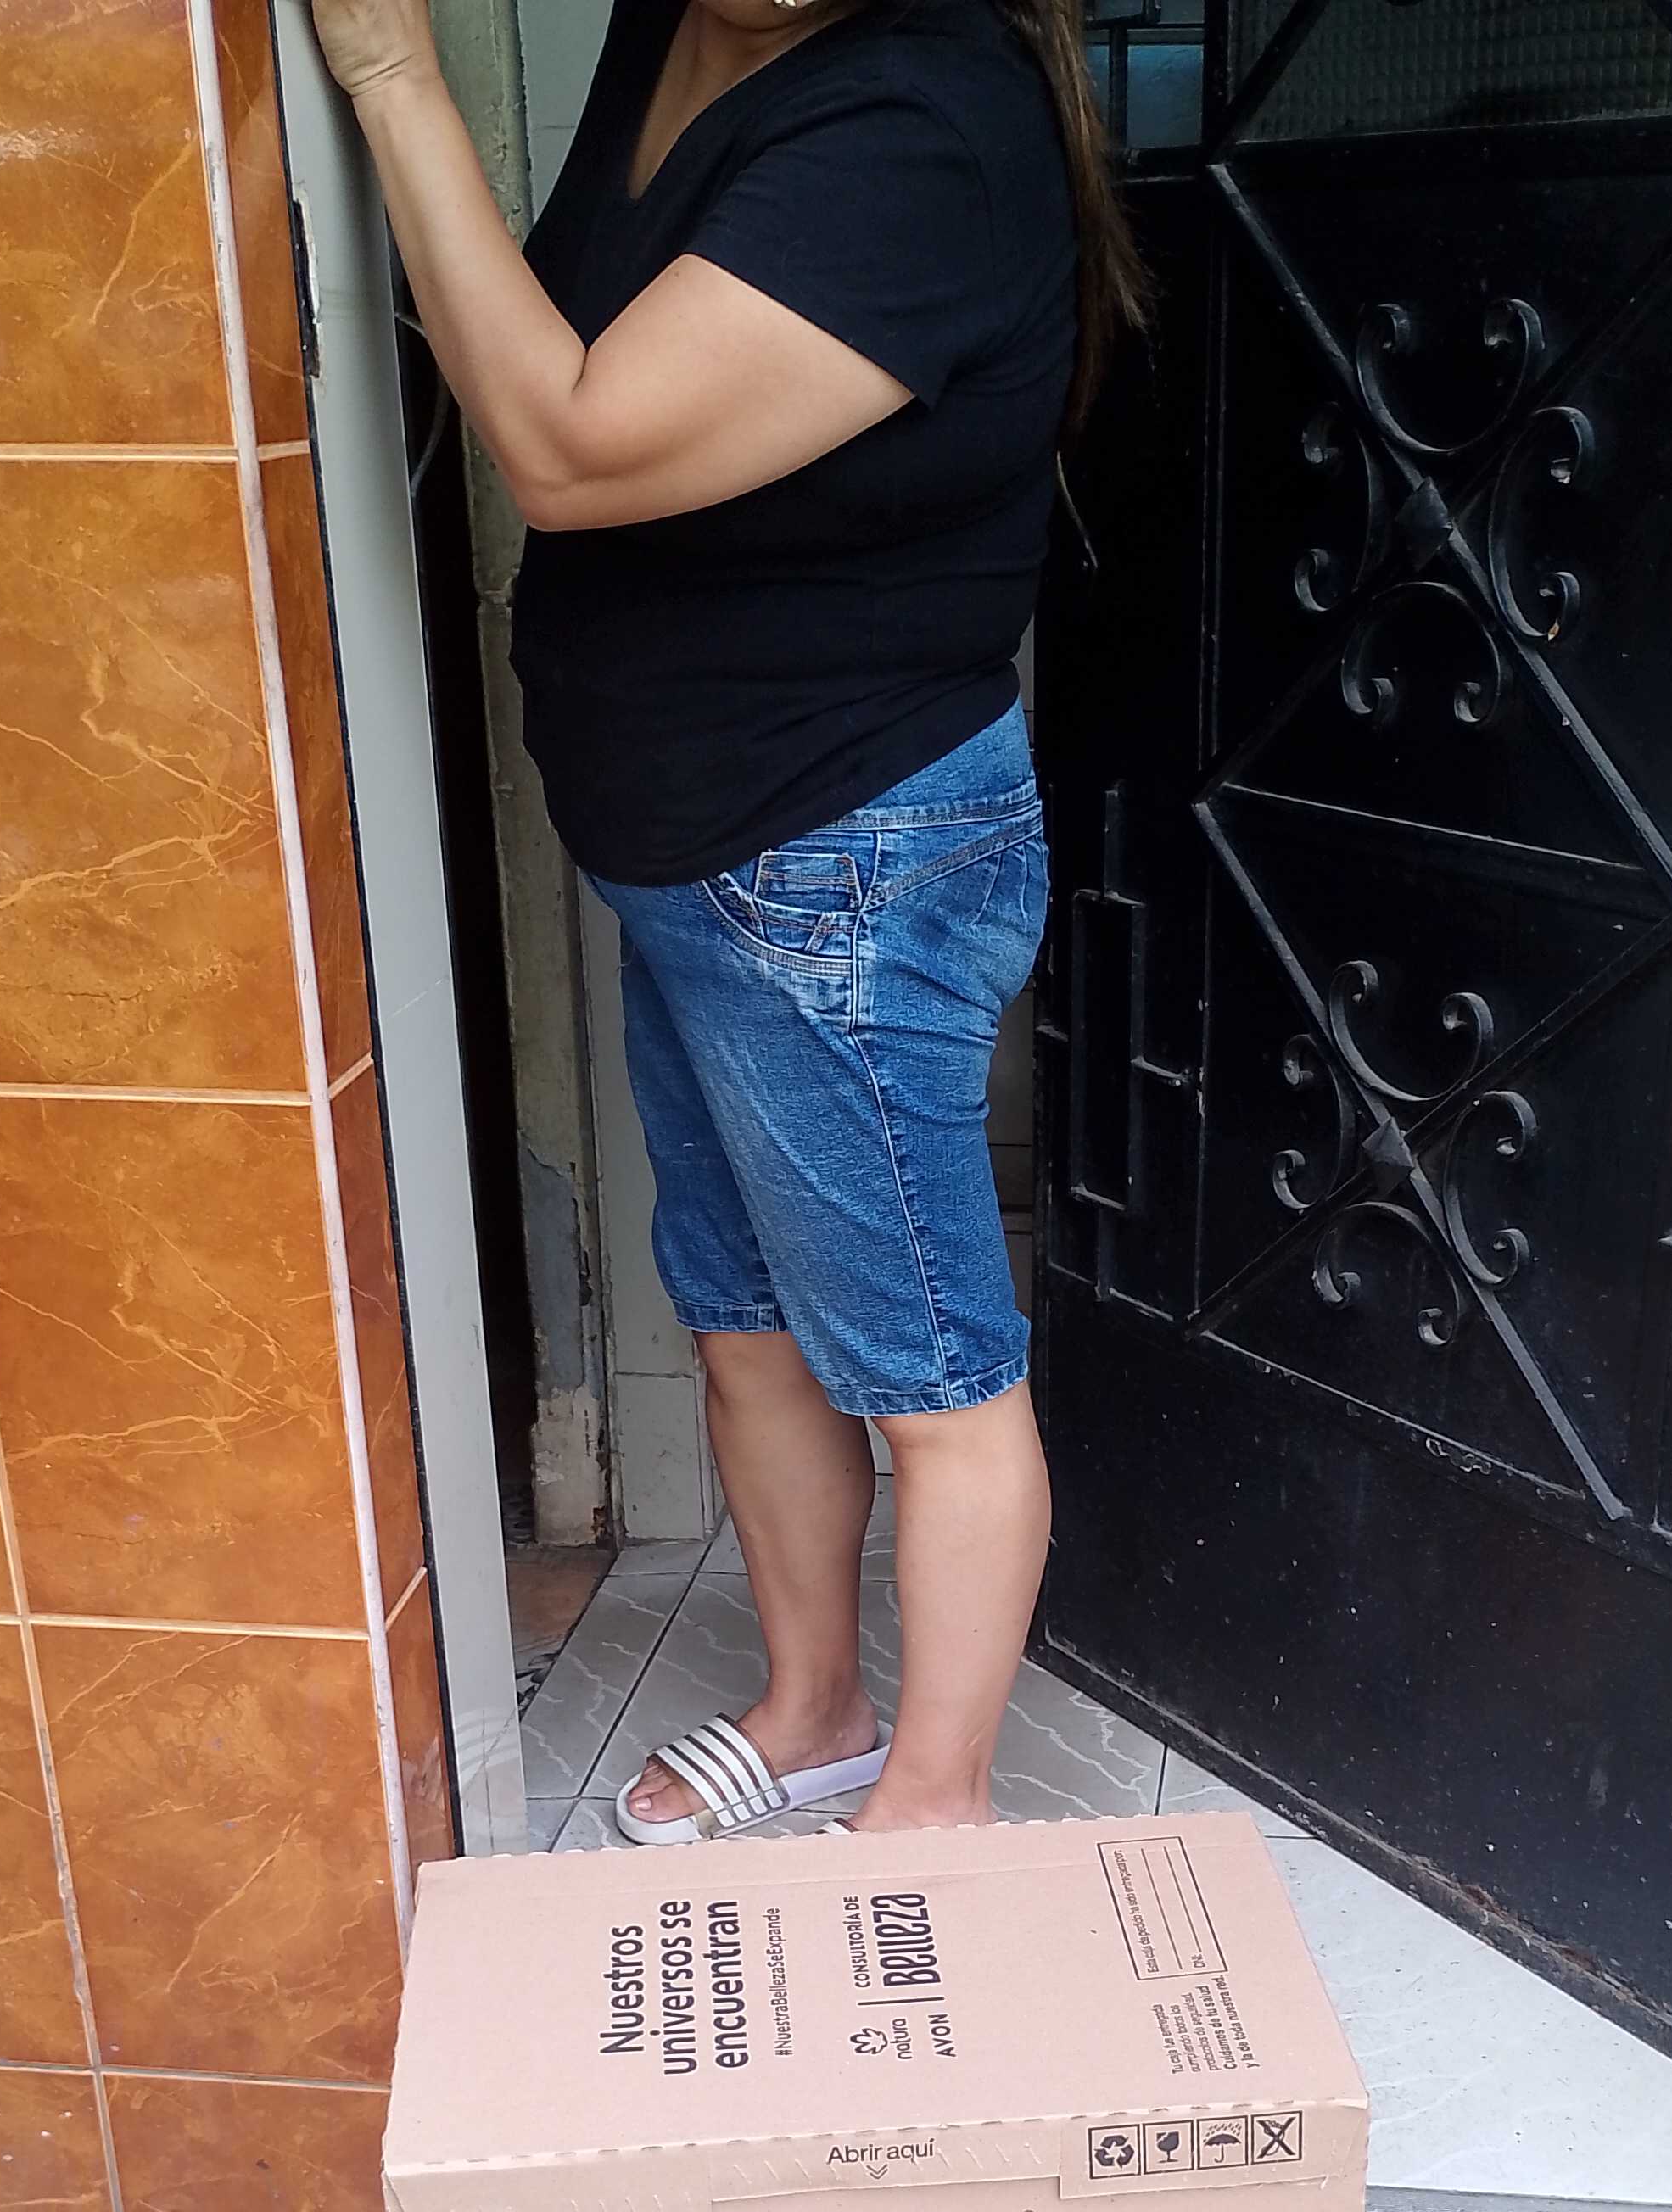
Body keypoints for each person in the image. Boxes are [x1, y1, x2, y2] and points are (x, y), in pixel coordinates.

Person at [306, 0, 1144, 1839]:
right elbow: (558, 335)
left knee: (932, 1376)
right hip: (693, 859)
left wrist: (387, 75)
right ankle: (817, 1706)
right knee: (746, 1320)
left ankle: (937, 1803)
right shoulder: (679, 21)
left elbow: (572, 442)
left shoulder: (929, 113)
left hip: (840, 851)